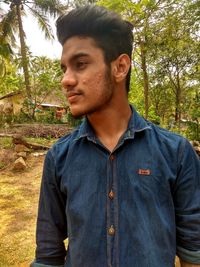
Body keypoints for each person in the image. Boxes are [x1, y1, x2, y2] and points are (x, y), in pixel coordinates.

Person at [31, 5, 200, 267]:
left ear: (120, 67)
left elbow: (193, 252)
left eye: (81, 64)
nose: (66, 80)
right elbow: (48, 255)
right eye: (64, 68)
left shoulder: (176, 153)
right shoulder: (58, 157)